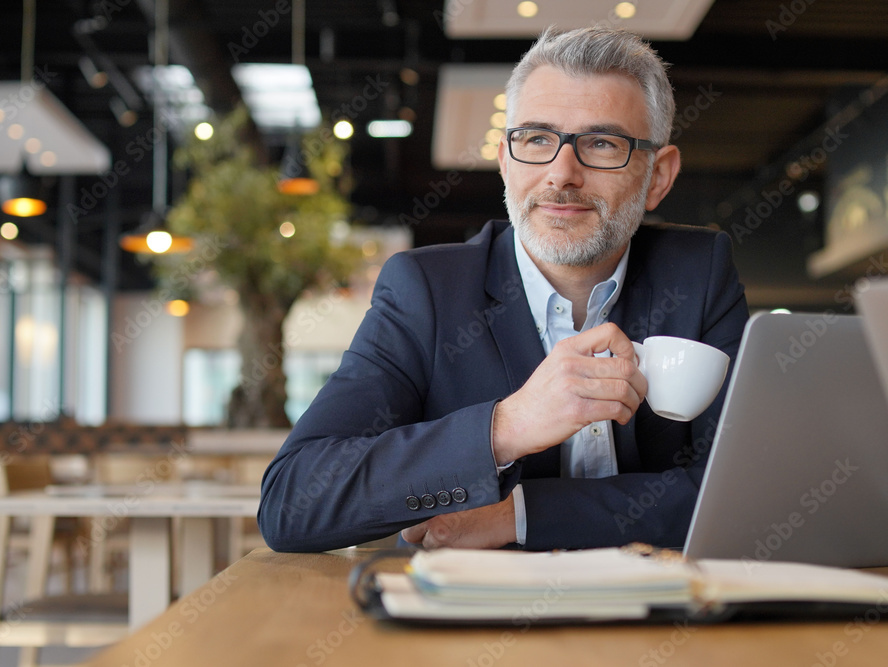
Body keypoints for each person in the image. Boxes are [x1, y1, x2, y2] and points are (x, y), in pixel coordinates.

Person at [257, 26, 749, 552]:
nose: (562, 174)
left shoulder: (698, 275)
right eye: (537, 139)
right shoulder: (426, 292)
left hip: (662, 620)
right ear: (504, 160)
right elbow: (293, 502)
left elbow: (748, 493)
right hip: (468, 618)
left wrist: (520, 515)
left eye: (602, 144)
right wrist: (505, 427)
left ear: (658, 176)